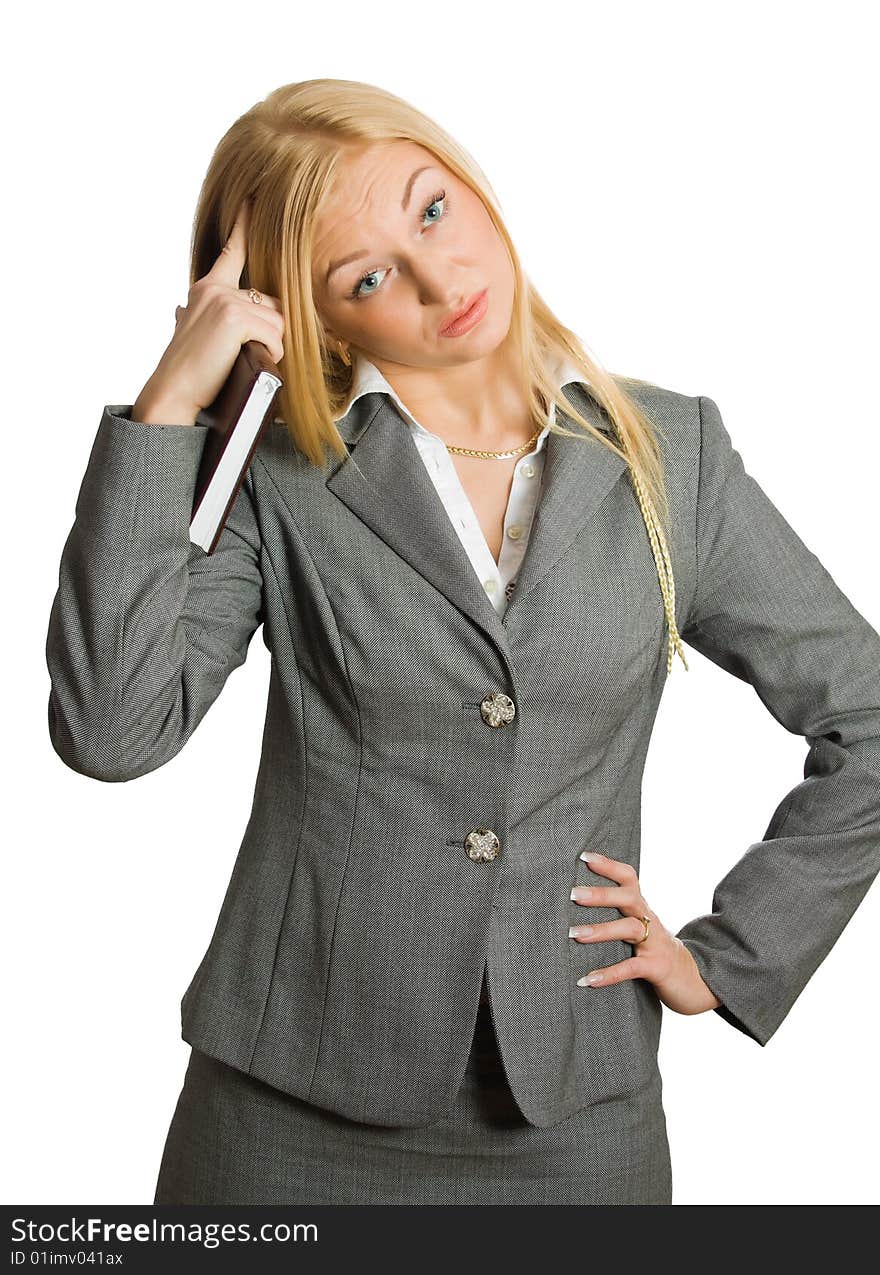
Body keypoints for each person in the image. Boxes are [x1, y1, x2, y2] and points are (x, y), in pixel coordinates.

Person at [45, 79, 880, 1206]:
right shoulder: (283, 478)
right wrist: (170, 406)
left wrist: (728, 961)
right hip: (286, 1117)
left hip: (575, 1119)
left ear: (470, 181)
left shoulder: (668, 455)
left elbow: (866, 716)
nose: (440, 282)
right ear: (313, 313)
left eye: (430, 210)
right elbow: (112, 730)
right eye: (368, 276)